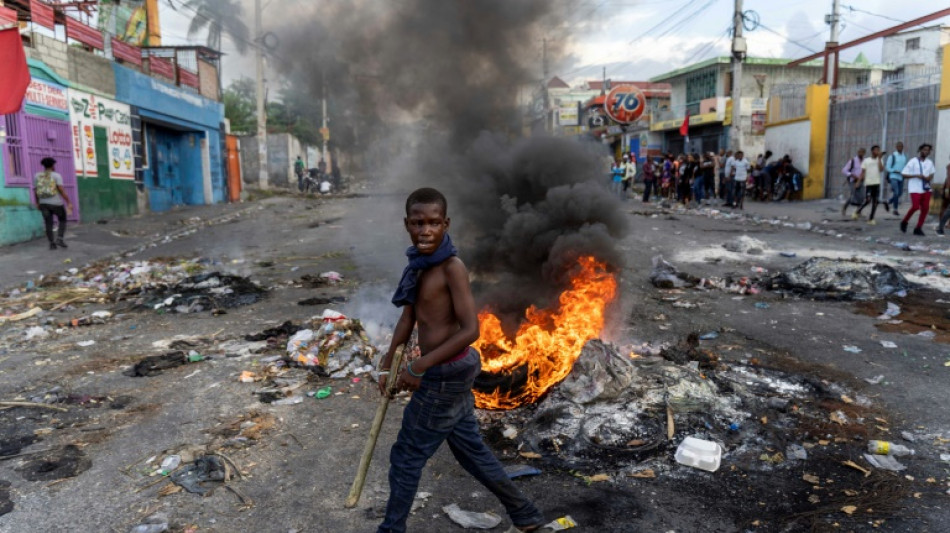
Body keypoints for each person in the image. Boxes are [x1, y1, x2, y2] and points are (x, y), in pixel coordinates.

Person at [377, 188, 544, 533]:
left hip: (446, 371)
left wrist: (418, 367)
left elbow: (471, 330)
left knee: (406, 458)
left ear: (446, 223)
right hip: (448, 369)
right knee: (473, 453)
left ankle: (390, 530)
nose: (425, 230)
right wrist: (389, 361)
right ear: (406, 224)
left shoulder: (452, 268)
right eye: (418, 223)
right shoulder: (418, 266)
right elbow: (408, 318)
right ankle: (526, 515)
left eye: (433, 223)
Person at [32, 157, 73, 250]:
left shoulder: (37, 176)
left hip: (43, 203)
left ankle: (51, 243)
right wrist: (68, 201)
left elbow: (35, 190)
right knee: (62, 219)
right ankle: (60, 239)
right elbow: (61, 190)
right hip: (56, 203)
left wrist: (37, 203)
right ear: (52, 165)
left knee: (48, 223)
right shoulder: (56, 176)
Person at [900, 143, 935, 236]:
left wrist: (929, 178)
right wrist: (916, 175)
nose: (926, 151)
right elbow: (903, 174)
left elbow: (932, 174)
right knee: (915, 206)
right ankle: (904, 221)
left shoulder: (929, 162)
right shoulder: (913, 161)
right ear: (920, 150)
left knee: (925, 208)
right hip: (915, 188)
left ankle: (918, 227)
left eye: (928, 150)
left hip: (926, 188)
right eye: (924, 149)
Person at [855, 145, 885, 225]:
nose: (878, 151)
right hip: (869, 183)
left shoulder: (880, 160)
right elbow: (863, 172)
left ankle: (871, 218)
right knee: (868, 200)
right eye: (876, 150)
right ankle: (858, 211)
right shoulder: (866, 161)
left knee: (875, 201)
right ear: (872, 151)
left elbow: (881, 169)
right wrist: (858, 182)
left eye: (879, 150)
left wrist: (879, 158)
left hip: (877, 183)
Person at [841, 148, 865, 217]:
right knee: (853, 195)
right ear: (858, 152)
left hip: (861, 180)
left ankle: (858, 211)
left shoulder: (865, 161)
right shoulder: (853, 161)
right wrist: (851, 175)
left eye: (862, 152)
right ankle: (845, 207)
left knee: (862, 196)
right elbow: (844, 170)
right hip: (853, 181)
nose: (861, 153)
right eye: (860, 152)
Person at [884, 141, 907, 216]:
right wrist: (894, 170)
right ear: (896, 147)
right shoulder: (892, 156)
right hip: (893, 176)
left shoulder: (904, 156)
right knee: (896, 192)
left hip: (901, 177)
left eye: (901, 146)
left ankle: (888, 201)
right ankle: (895, 209)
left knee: (899, 193)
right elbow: (887, 167)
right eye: (899, 146)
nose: (900, 148)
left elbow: (905, 166)